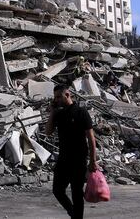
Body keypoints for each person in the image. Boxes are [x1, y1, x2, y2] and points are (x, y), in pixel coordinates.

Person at [45, 84, 98, 219]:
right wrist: (52, 111)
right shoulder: (59, 113)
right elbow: (48, 132)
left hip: (78, 159)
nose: (56, 100)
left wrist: (93, 161)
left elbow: (91, 138)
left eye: (58, 97)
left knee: (76, 193)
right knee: (57, 190)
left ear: (67, 95)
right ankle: (73, 213)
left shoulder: (81, 112)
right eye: (54, 97)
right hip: (63, 159)